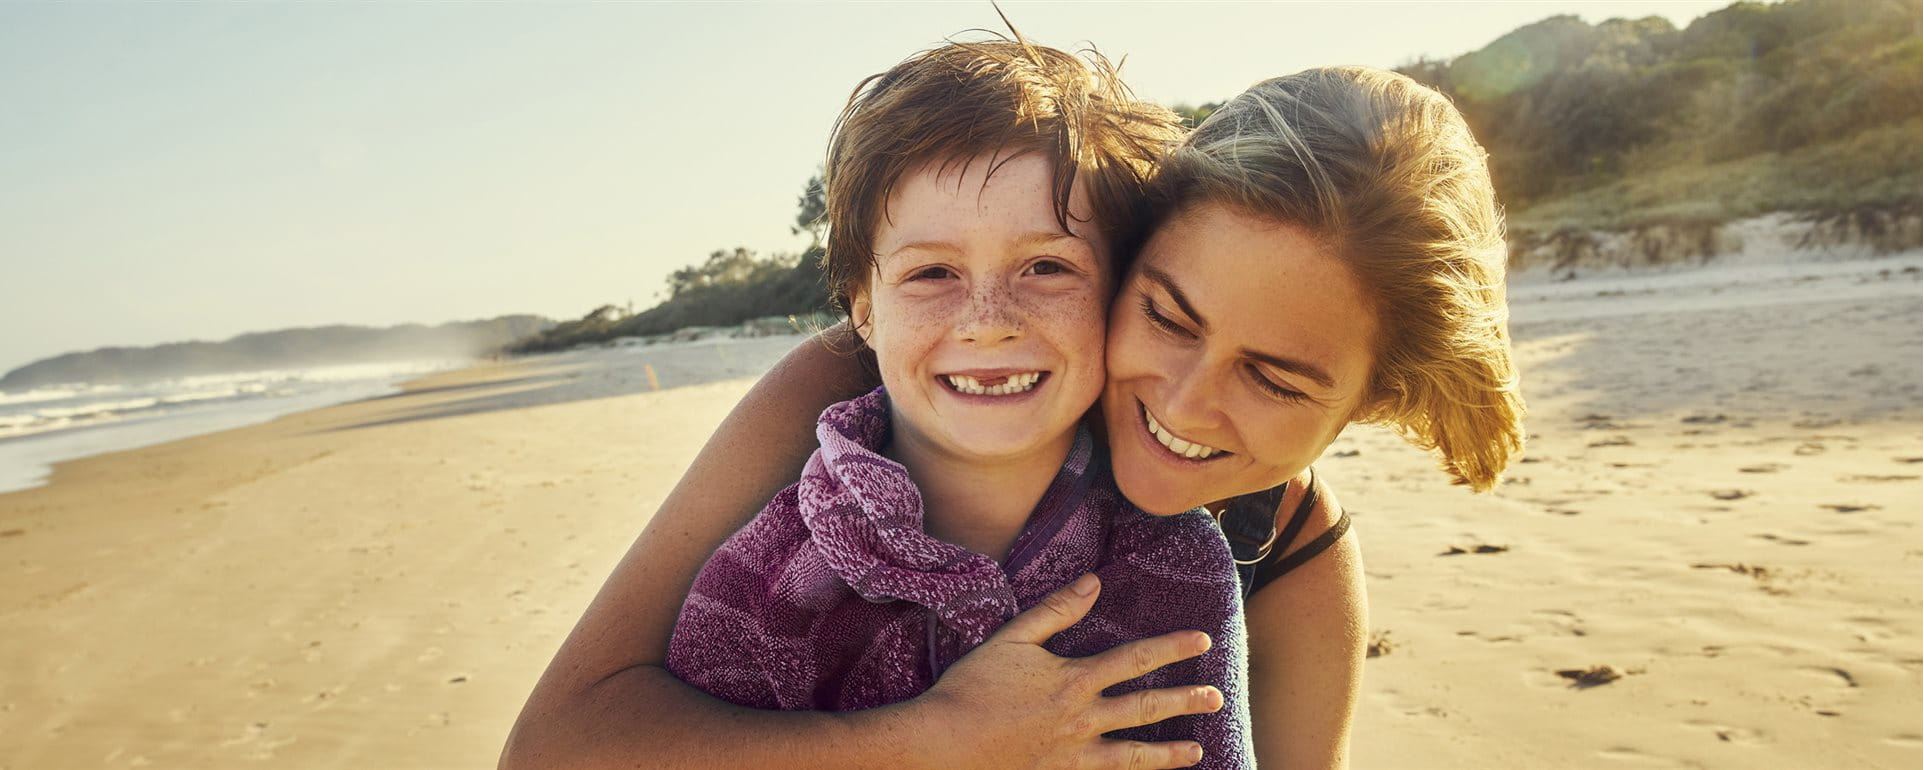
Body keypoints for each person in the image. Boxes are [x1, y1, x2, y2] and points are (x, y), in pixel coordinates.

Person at [501, 60, 1524, 770]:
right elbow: (557, 742)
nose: (1184, 399)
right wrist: (935, 740)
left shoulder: (1280, 542)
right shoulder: (856, 381)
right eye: (1165, 313)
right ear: (1129, 258)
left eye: (1278, 379)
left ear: (1372, 397)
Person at [660, 38, 1253, 768]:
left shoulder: (1178, 561)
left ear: (1119, 292)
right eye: (932, 272)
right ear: (864, 309)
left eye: (1047, 266)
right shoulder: (767, 579)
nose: (987, 318)